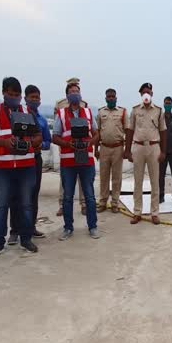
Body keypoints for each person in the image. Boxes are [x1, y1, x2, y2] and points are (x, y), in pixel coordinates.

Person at [0, 77, 42, 258]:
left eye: (17, 95)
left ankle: (25, 239)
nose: (14, 97)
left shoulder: (27, 111)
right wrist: (4, 142)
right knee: (1, 205)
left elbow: (38, 135)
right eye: (10, 94)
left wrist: (31, 142)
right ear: (3, 93)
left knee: (26, 204)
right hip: (4, 167)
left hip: (26, 166)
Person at [53, 84, 101, 241]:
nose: (75, 94)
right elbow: (55, 137)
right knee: (67, 197)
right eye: (72, 92)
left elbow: (96, 133)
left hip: (86, 160)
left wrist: (90, 143)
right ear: (67, 96)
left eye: (77, 91)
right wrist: (68, 145)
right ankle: (68, 227)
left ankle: (93, 226)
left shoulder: (87, 112)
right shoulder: (60, 113)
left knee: (90, 196)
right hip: (68, 162)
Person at [8, 85, 51, 243]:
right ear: (25, 99)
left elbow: (47, 140)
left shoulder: (42, 120)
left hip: (35, 159)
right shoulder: (17, 115)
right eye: (32, 97)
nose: (35, 100)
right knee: (16, 195)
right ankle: (14, 230)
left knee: (32, 195)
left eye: (37, 98)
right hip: (18, 159)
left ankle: (30, 227)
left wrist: (41, 145)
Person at [125, 82, 166, 225]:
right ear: (141, 95)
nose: (146, 94)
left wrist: (163, 151)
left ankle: (155, 213)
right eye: (143, 92)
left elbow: (163, 131)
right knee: (138, 182)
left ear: (152, 94)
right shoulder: (135, 110)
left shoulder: (159, 110)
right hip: (138, 147)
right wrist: (127, 150)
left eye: (148, 92)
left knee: (155, 182)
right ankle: (137, 212)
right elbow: (130, 130)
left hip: (154, 147)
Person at [55, 78, 87, 217]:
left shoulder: (84, 104)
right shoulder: (60, 104)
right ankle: (62, 204)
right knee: (65, 178)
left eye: (77, 90)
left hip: (81, 146)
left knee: (83, 176)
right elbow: (57, 127)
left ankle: (84, 203)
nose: (75, 92)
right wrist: (63, 143)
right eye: (72, 89)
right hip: (66, 146)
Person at [96, 88, 126, 214]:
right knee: (103, 176)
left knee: (117, 177)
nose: (111, 98)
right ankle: (103, 202)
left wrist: (127, 149)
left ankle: (115, 203)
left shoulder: (122, 112)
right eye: (109, 96)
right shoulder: (100, 112)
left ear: (116, 98)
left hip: (118, 148)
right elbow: (97, 131)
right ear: (105, 98)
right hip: (104, 148)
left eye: (113, 96)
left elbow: (127, 130)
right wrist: (95, 149)